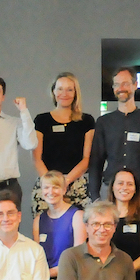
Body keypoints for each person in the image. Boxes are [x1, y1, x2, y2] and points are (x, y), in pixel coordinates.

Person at [87, 67, 140, 220]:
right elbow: (96, 161)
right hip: (109, 190)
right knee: (107, 233)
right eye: (116, 85)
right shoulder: (104, 122)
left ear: (135, 85)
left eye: (125, 84)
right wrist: (95, 196)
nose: (120, 88)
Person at [32, 72, 96, 215]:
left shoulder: (86, 121)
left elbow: (87, 158)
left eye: (69, 89)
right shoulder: (42, 120)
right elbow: (37, 158)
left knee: (78, 232)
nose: (64, 93)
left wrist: (66, 181)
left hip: (76, 185)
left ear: (75, 93)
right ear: (53, 91)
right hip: (47, 185)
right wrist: (52, 183)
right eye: (60, 89)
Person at [33, 172, 86, 278]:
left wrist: (48, 273)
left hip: (69, 278)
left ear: (64, 190)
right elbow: (37, 257)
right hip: (44, 279)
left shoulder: (77, 216)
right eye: (46, 188)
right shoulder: (38, 220)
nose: (50, 192)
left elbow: (79, 257)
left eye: (55, 187)